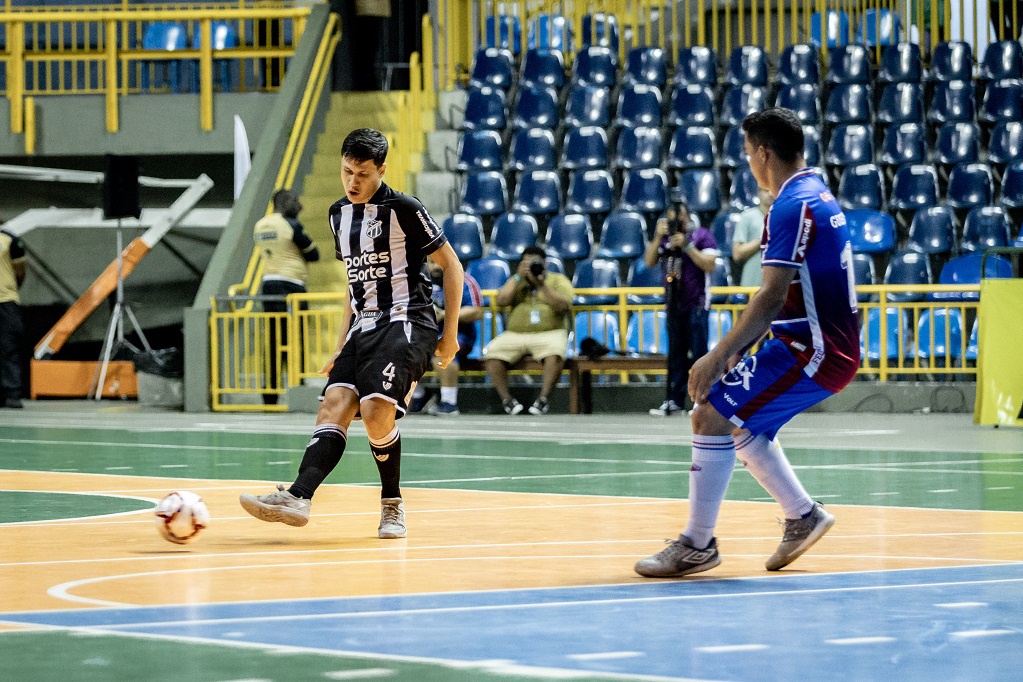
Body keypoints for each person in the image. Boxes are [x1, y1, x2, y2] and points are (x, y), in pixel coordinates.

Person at [635, 108, 861, 578]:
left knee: (710, 415)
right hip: (814, 343)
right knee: (741, 427)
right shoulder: (817, 194)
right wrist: (741, 347)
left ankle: (697, 543)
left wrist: (716, 355)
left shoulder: (790, 205)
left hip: (813, 350)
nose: (748, 164)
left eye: (747, 153)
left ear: (762, 153)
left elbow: (772, 294)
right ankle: (803, 516)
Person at [240, 128, 464, 539]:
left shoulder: (405, 209)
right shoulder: (337, 214)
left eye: (362, 174)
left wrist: (449, 335)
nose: (353, 181)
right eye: (347, 172)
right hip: (364, 326)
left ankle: (392, 505)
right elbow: (352, 281)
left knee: (376, 413)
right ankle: (298, 497)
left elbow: (452, 265)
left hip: (407, 320)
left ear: (381, 170)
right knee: (334, 404)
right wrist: (341, 341)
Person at [643, 202, 719, 417]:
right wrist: (657, 237)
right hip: (674, 304)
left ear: (688, 217)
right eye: (672, 219)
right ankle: (674, 401)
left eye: (680, 218)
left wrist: (687, 246)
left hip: (697, 303)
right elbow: (649, 261)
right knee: (676, 355)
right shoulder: (664, 239)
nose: (677, 222)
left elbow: (709, 264)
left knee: (699, 354)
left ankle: (702, 401)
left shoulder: (701, 235)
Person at [484, 245, 573, 415]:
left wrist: (541, 285)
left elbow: (564, 305)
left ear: (545, 264)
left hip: (550, 333)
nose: (531, 266)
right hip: (515, 335)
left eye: (535, 262)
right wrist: (518, 277)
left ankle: (543, 400)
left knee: (555, 352)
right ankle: (507, 400)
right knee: (493, 352)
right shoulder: (517, 281)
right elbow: (501, 301)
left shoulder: (558, 280)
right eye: (527, 262)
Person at [254, 189, 320, 405]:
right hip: (291, 286)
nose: (299, 205)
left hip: (268, 285)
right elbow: (313, 254)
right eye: (295, 201)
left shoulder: (260, 225)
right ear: (283, 203)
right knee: (296, 338)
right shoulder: (290, 224)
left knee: (273, 339)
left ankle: (270, 394)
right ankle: (296, 387)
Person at [424, 260, 483, 415]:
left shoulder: (464, 280)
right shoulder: (418, 280)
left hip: (459, 335)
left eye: (440, 262)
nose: (436, 266)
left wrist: (444, 315)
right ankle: (419, 396)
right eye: (432, 262)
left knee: (441, 349)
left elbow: (476, 312)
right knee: (396, 348)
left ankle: (449, 402)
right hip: (425, 334)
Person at [0, 223, 27, 409]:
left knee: (9, 346)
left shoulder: (10, 240)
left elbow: (20, 271)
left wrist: (9, 289)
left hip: (6, 300)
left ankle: (12, 392)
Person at [732, 186, 774, 288]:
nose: (770, 194)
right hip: (751, 284)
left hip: (777, 285)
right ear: (759, 192)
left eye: (773, 190)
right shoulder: (747, 217)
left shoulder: (784, 218)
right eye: (766, 190)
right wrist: (763, 238)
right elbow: (737, 253)